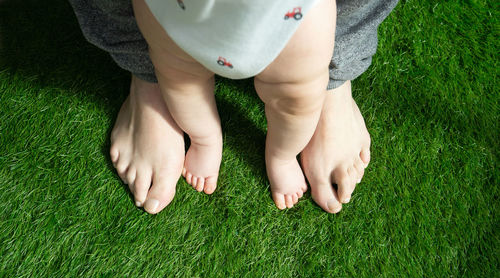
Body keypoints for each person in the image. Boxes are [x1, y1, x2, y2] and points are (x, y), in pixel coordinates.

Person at [69, 0, 398, 214]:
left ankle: (284, 150)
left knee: (297, 98)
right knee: (176, 74)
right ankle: (203, 136)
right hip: (177, 11)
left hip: (295, 17)